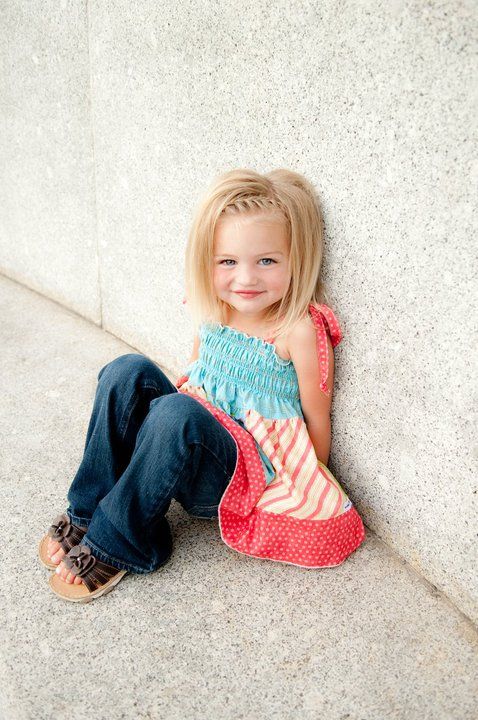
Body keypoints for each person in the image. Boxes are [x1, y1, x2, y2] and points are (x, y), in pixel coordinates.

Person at [38, 167, 366, 603]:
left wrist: (308, 482)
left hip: (240, 479)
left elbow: (316, 419)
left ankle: (125, 541)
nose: (245, 279)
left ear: (297, 259)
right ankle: (86, 511)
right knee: (126, 370)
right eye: (228, 262)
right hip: (189, 441)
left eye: (266, 261)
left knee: (178, 414)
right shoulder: (214, 310)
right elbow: (193, 381)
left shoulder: (298, 331)